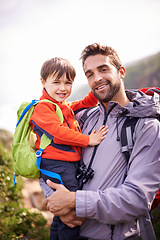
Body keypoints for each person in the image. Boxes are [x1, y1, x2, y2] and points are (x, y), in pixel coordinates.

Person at [44, 44, 160, 240]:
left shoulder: (147, 127)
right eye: (89, 74)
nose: (97, 78)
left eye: (103, 69)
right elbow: (49, 160)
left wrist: (74, 201)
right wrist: (56, 201)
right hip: (72, 233)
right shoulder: (81, 119)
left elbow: (138, 199)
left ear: (121, 72)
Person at [29, 57, 108, 240]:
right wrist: (88, 140)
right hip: (57, 165)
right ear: (43, 82)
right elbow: (58, 133)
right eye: (56, 82)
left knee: (61, 214)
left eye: (68, 82)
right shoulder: (42, 109)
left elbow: (81, 104)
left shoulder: (60, 106)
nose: (63, 88)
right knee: (71, 210)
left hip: (63, 165)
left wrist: (95, 89)